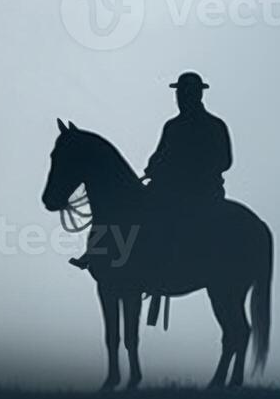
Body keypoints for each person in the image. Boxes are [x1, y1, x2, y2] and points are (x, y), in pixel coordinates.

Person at [69, 71, 232, 271]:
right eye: (179, 94)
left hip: (200, 190)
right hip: (168, 188)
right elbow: (158, 155)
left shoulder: (214, 126)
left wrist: (186, 171)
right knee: (128, 207)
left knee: (163, 214)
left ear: (197, 95)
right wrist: (154, 167)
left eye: (185, 93)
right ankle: (101, 252)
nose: (180, 98)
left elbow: (224, 161)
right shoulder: (172, 127)